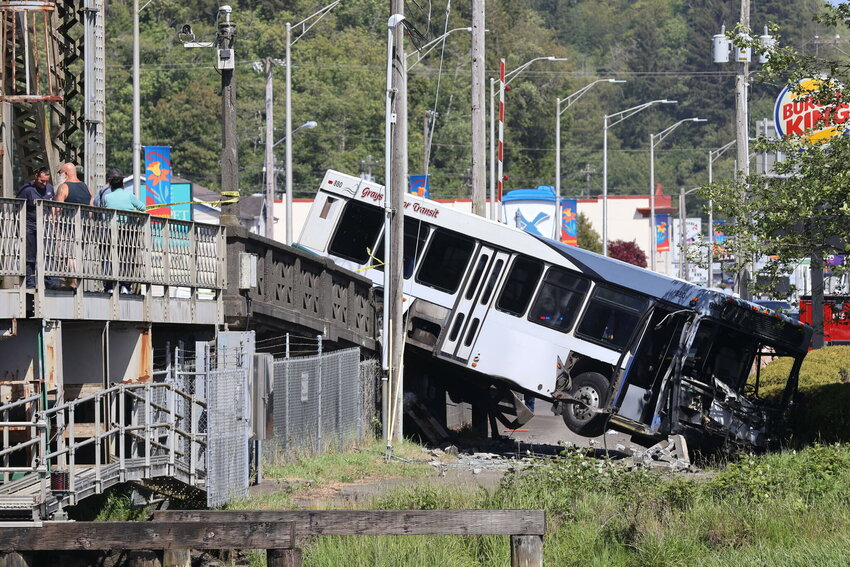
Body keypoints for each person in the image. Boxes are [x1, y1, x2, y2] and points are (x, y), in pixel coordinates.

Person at [16, 167, 61, 289]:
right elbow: (17, 207)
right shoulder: (27, 190)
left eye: (46, 181)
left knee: (49, 252)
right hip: (29, 225)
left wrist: (54, 221)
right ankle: (30, 283)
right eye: (42, 181)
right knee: (30, 256)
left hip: (45, 224)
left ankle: (52, 282)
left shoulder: (50, 188)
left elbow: (52, 205)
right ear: (36, 177)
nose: (44, 184)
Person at [103, 170, 146, 293]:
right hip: (128, 232)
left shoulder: (107, 197)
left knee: (112, 258)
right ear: (123, 185)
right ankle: (125, 285)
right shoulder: (129, 196)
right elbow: (143, 208)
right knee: (128, 258)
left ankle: (111, 285)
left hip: (112, 232)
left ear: (111, 185)